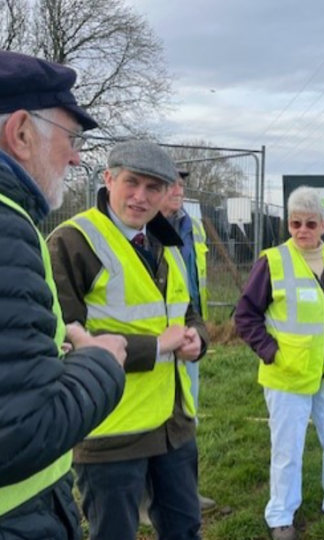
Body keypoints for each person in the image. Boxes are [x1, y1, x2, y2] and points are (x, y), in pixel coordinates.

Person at [48, 140, 210, 540]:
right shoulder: (73, 241)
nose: (141, 196)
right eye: (131, 183)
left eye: (153, 187)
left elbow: (186, 312)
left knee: (185, 527)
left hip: (173, 424)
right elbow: (63, 340)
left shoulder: (165, 241)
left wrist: (197, 340)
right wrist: (158, 347)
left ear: (167, 192)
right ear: (108, 179)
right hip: (110, 429)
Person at [0, 50, 128, 540]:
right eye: (70, 138)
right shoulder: (8, 229)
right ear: (21, 133)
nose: (76, 155)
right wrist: (101, 361)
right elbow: (20, 431)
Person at [235, 186, 324, 540]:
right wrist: (270, 351)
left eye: (310, 223)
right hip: (287, 375)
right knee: (287, 449)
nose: (302, 230)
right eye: (295, 223)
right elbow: (246, 315)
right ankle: (281, 514)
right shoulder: (272, 261)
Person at [158, 167, 216, 513]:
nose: (179, 188)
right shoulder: (141, 229)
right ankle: (148, 500)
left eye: (181, 182)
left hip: (189, 332)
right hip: (152, 340)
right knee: (152, 420)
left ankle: (183, 493)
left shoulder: (191, 226)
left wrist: (199, 328)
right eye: (171, 182)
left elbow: (192, 283)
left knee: (186, 414)